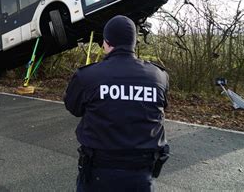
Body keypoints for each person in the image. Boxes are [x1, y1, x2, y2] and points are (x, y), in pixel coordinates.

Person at [64, 15, 169, 192]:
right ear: (134, 43)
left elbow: (73, 107)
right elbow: (162, 108)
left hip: (98, 174)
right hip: (141, 177)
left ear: (106, 42)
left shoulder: (87, 76)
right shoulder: (159, 76)